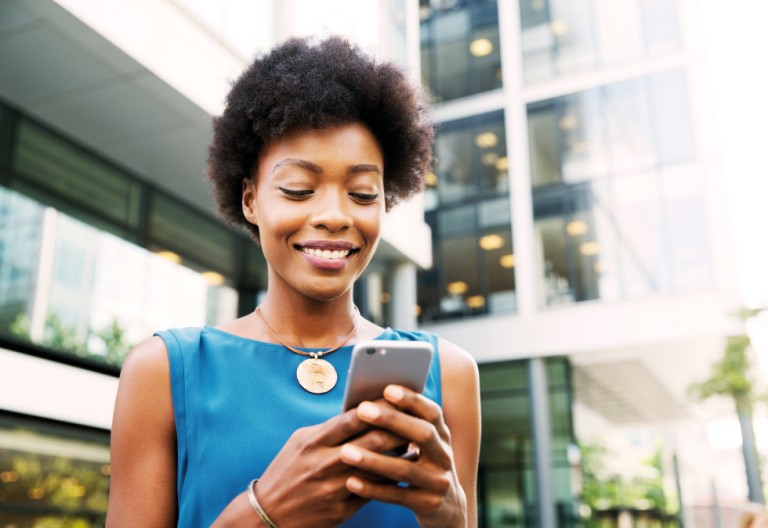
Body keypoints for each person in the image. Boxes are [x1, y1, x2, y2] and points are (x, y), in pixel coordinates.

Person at [105, 36, 481, 528]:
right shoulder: (163, 372)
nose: (334, 215)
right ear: (250, 199)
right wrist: (264, 511)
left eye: (363, 194)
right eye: (299, 189)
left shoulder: (449, 374)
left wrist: (453, 517)